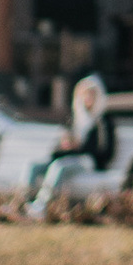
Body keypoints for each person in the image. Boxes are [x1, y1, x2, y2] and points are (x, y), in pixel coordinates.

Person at [24, 73, 116, 215]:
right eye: (84, 95)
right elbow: (60, 145)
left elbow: (106, 151)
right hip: (67, 156)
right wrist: (64, 146)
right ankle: (23, 204)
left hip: (87, 161)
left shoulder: (103, 121)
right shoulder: (74, 119)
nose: (87, 99)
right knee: (33, 166)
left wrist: (79, 149)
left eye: (91, 95)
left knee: (58, 167)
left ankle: (42, 205)